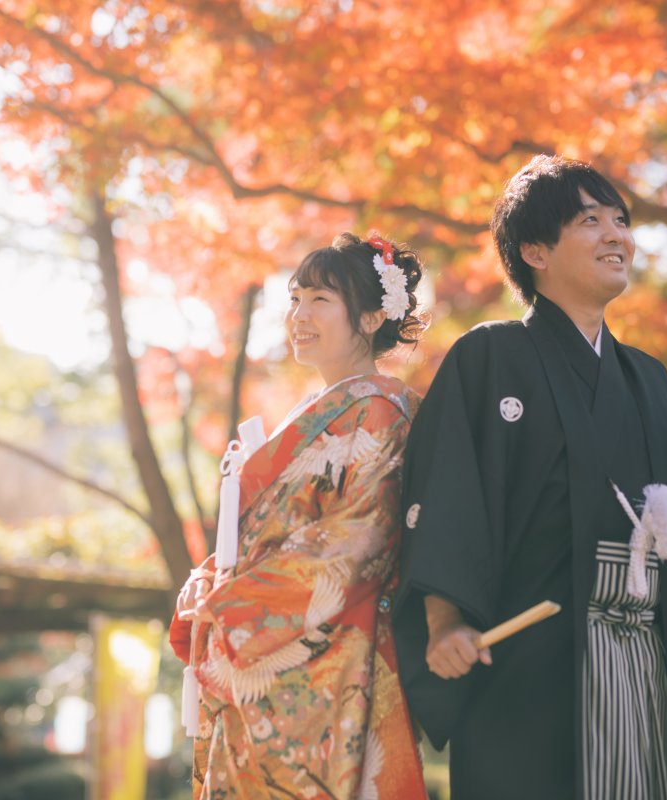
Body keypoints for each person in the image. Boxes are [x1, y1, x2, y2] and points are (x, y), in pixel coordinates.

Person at [392, 155, 667, 799]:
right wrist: (444, 622)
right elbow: (448, 493)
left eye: (621, 221)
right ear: (535, 251)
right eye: (590, 221)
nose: (617, 235)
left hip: (653, 657)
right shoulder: (490, 357)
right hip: (534, 662)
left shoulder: (648, 378)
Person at [168, 232, 431, 799]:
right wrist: (210, 581)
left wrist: (234, 604)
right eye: (295, 298)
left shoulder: (382, 408)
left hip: (331, 651)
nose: (298, 315)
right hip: (266, 655)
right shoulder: (315, 410)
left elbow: (360, 539)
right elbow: (263, 537)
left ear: (369, 318)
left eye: (320, 300)